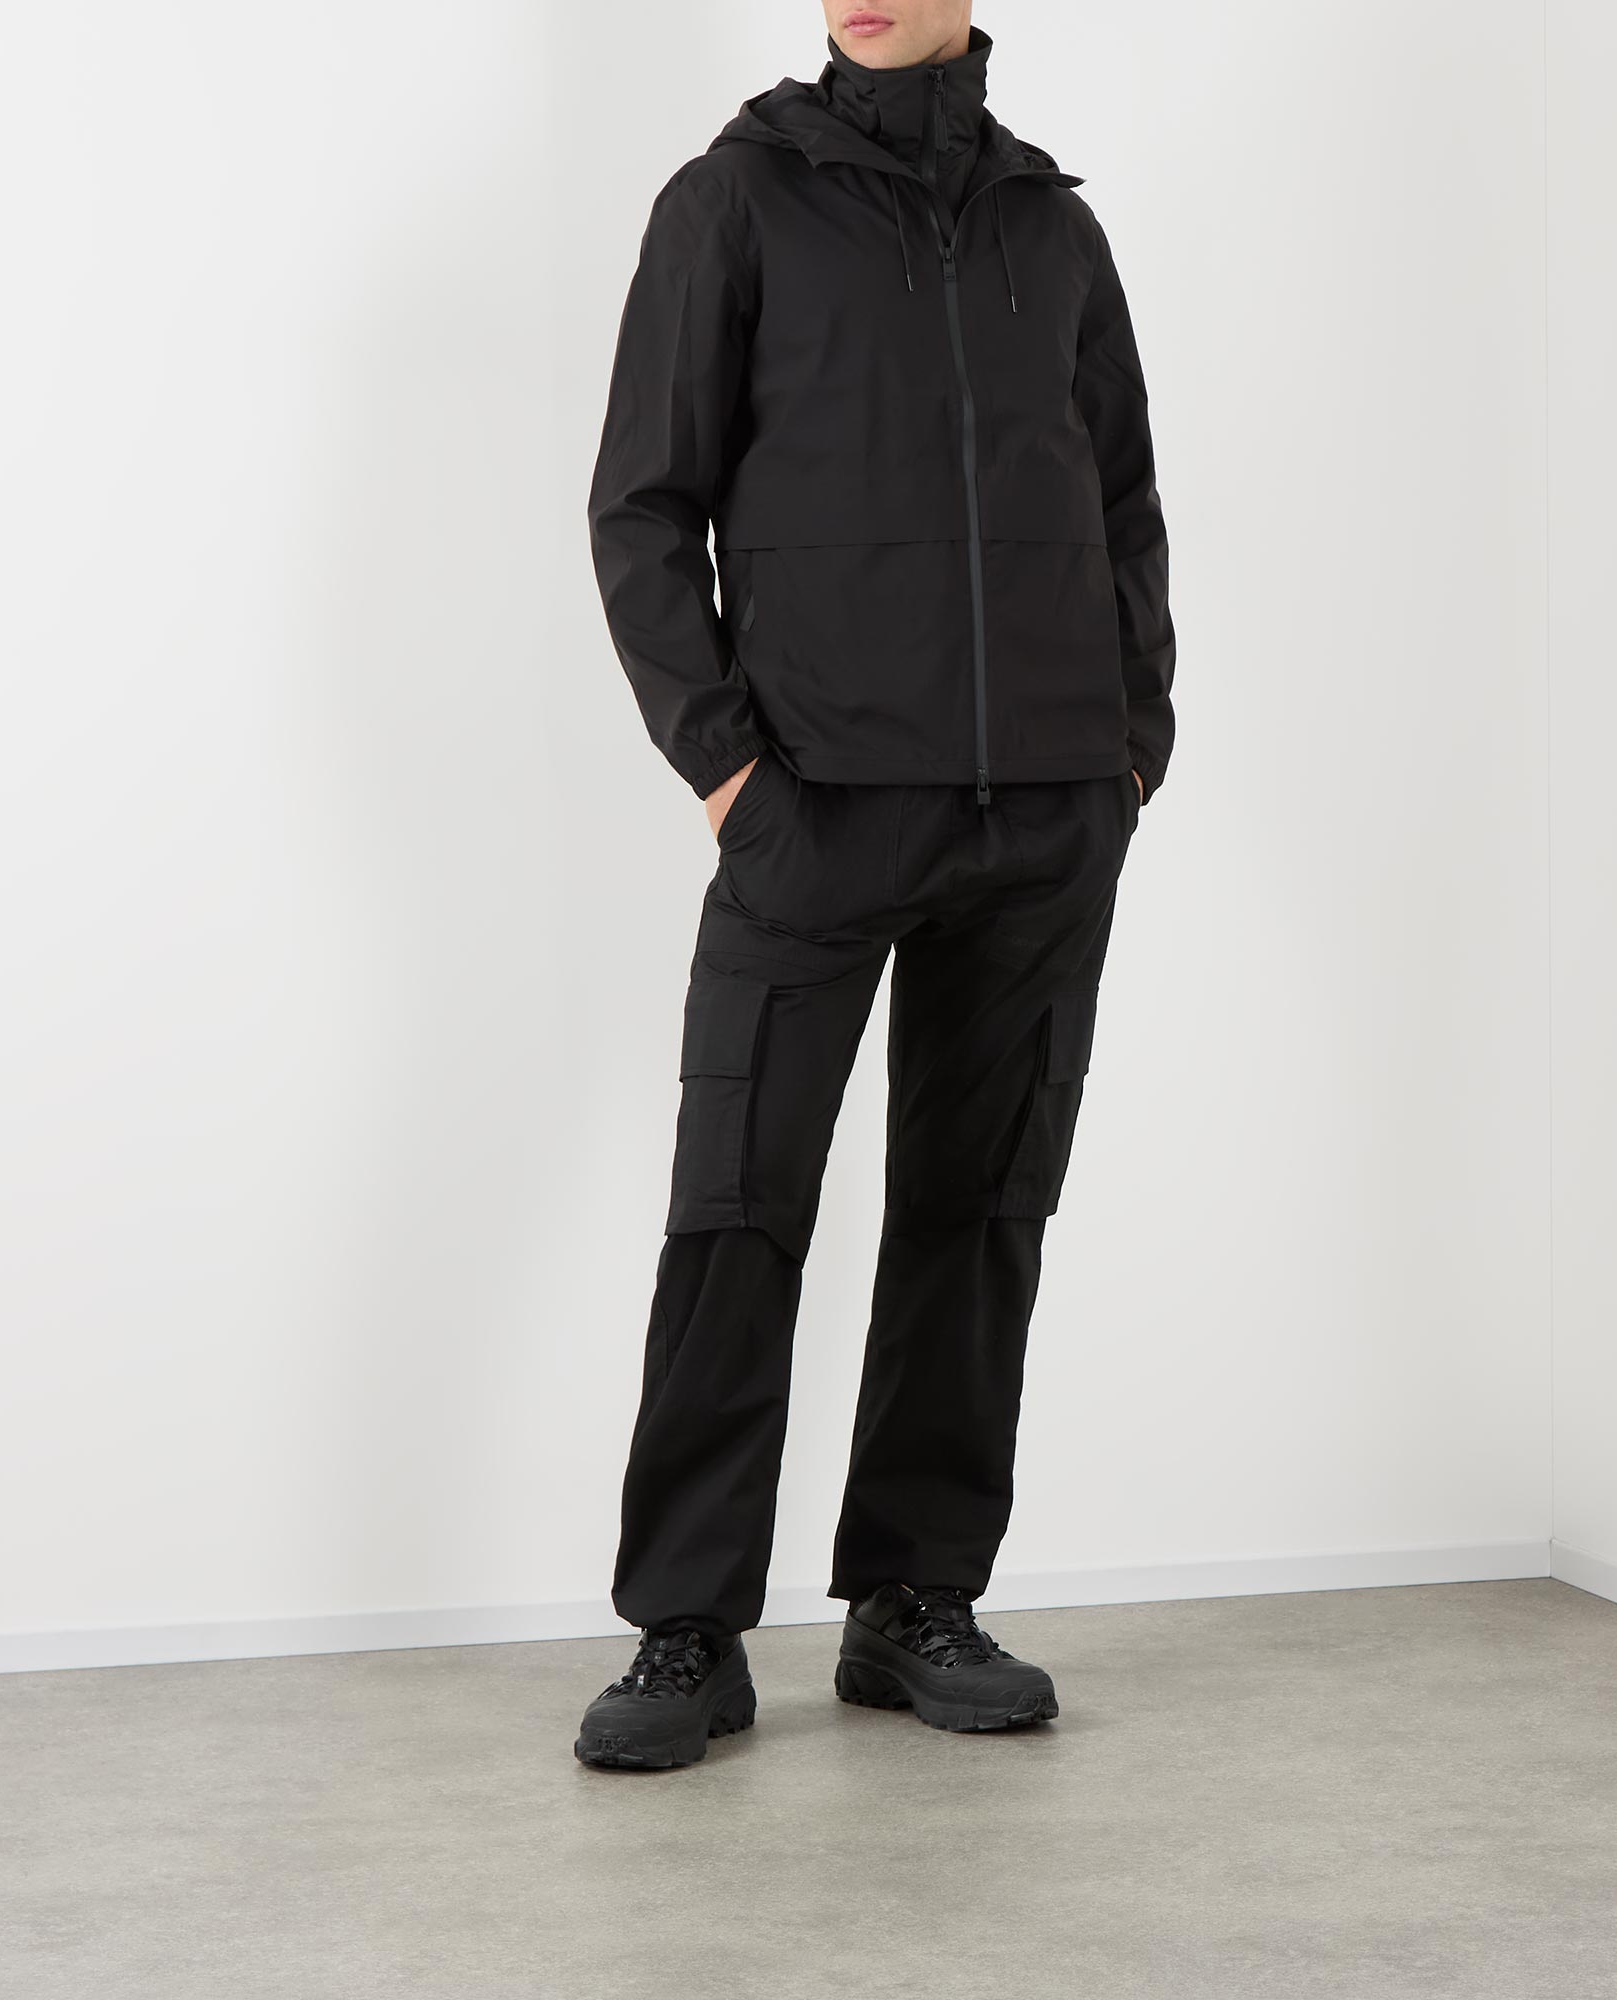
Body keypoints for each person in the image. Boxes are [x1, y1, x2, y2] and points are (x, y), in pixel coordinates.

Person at [576, 0, 1175, 1770]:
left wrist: (1130, 740)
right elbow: (642, 507)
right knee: (738, 1203)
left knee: (979, 1210)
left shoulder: (1052, 228)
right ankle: (688, 1629)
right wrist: (728, 769)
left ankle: (916, 1599)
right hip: (815, 807)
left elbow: (1124, 501)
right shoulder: (734, 201)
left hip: (1045, 811)